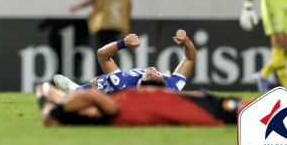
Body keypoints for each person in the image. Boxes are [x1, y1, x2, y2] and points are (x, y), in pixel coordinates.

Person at [36, 82, 253, 127]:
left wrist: (49, 103)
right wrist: (54, 111)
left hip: (188, 100)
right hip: (196, 109)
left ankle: (284, 101)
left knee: (238, 103)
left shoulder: (103, 106)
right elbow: (92, 95)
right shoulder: (109, 111)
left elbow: (44, 87)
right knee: (243, 109)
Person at [54, 30, 195, 94]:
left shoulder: (123, 84)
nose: (152, 69)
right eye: (158, 75)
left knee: (100, 84)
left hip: (108, 92)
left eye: (150, 74)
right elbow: (190, 58)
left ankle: (75, 90)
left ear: (142, 82)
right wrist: (186, 42)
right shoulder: (172, 86)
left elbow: (102, 55)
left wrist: (123, 43)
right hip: (150, 93)